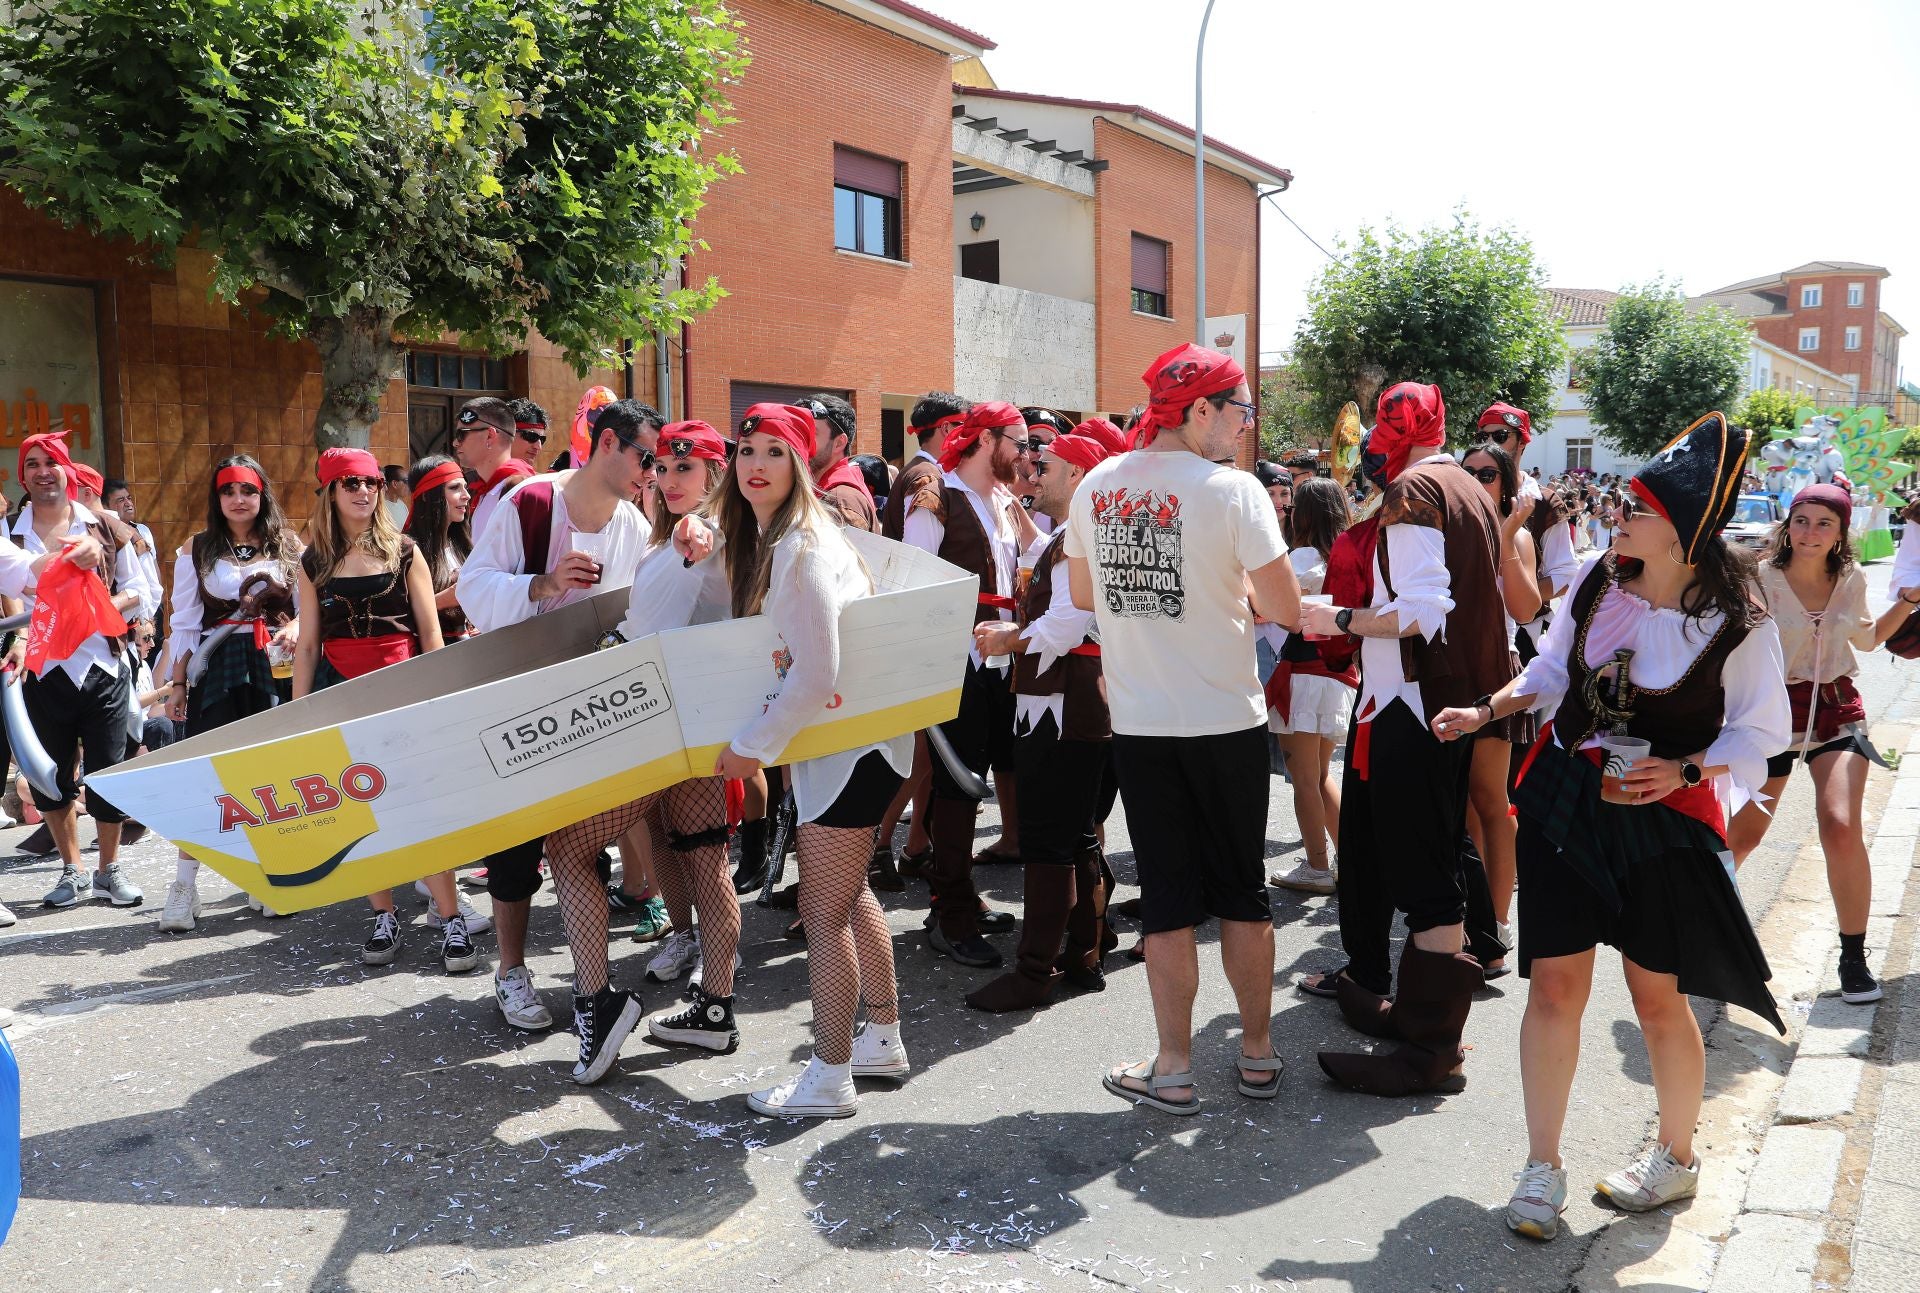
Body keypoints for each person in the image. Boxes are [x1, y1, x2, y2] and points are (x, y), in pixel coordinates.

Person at [1434, 412, 1789, 1241]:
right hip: (1568, 797)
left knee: (1657, 999)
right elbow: (1553, 668)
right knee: (1555, 985)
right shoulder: (1598, 575)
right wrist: (1487, 706)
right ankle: (1541, 1167)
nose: (1619, 514)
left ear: (1686, 531)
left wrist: (1689, 766)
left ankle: (1675, 1157)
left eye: (1639, 506)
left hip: (1662, 816)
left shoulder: (1739, 619)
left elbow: (1764, 734)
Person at [1067, 342, 1299, 1114]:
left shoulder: (1097, 483)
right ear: (1198, 408)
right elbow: (1288, 610)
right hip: (1228, 719)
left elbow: (1080, 591)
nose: (1243, 426)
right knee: (1243, 893)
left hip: (1141, 723)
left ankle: (1173, 1066)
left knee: (1168, 899)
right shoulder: (1235, 492)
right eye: (1238, 409)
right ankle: (1257, 1053)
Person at [667, 404, 913, 1116]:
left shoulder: (802, 548)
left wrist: (749, 748)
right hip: (858, 743)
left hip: (847, 747)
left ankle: (830, 1075)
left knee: (823, 908)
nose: (756, 463)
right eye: (746, 449)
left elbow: (815, 675)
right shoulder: (794, 536)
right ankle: (881, 1038)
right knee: (849, 893)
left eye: (776, 451)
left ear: (802, 464)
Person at [1302, 382, 1511, 1096]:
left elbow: (1422, 612)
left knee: (1427, 881)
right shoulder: (1464, 482)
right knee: (1433, 869)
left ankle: (1429, 1052)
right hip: (1438, 704)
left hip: (1417, 705)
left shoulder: (1417, 488)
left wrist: (1337, 620)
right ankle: (1422, 1027)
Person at [462, 399, 659, 1073]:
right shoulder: (530, 503)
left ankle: (591, 991)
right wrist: (542, 584)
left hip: (589, 705)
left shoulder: (634, 523)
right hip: (517, 696)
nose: (650, 472)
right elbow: (472, 588)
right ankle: (512, 970)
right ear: (608, 444)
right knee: (515, 842)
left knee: (578, 845)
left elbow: (642, 609)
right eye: (645, 457)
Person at [1729, 483, 1914, 1003]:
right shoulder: (1757, 577)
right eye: (1802, 520)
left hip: (1838, 711)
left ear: (1840, 534)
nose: (1810, 532)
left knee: (1839, 825)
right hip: (1772, 716)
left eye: (1823, 523)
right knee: (1742, 837)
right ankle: (1703, 935)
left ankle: (1853, 959)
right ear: (1788, 525)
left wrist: (1909, 601)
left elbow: (1868, 639)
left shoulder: (1850, 577)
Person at [292, 447, 466, 971]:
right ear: (330, 492)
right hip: (340, 691)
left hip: (403, 688)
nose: (365, 492)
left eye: (370, 482)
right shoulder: (312, 561)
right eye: (351, 483)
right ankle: (383, 915)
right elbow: (306, 644)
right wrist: (297, 713)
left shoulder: (405, 550)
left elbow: (429, 631)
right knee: (360, 810)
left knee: (418, 807)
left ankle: (450, 916)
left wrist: (436, 696)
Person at [966, 430, 1120, 1012]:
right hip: (1064, 699)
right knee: (1072, 833)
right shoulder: (1074, 534)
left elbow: (1067, 622)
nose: (1035, 475)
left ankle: (1036, 972)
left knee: (1050, 841)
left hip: (1065, 701)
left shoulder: (1085, 536)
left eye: (1047, 466)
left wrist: (1009, 637)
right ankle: (1083, 953)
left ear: (1080, 475)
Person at [627, 421, 746, 1048]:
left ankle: (718, 996)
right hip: (655, 709)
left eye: (686, 468)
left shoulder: (706, 531)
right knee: (664, 842)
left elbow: (704, 539)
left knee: (704, 851)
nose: (670, 480)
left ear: (714, 475)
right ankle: (685, 935)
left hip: (699, 711)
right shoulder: (662, 536)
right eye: (663, 469)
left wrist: (695, 530)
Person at [902, 399, 1031, 967]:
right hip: (954, 663)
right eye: (1018, 442)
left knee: (973, 787)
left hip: (998, 663)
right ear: (987, 439)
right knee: (956, 790)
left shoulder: (1001, 499)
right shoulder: (935, 497)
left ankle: (958, 898)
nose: (1026, 455)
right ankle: (948, 911)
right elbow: (914, 586)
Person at [10, 430, 159, 911]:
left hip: (103, 664)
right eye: (32, 464)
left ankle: (108, 869)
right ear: (23, 476)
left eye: (50, 461)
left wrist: (103, 607)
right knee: (49, 776)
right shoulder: (9, 532)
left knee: (109, 770)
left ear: (67, 470)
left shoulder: (104, 526)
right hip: (40, 670)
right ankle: (71, 870)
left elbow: (143, 590)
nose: (42, 471)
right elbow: (16, 583)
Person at [158, 454, 303, 931]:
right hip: (218, 668)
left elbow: (308, 608)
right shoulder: (194, 549)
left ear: (262, 495)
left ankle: (267, 877)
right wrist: (177, 684)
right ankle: (184, 886)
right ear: (216, 498)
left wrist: (296, 627)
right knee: (206, 777)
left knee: (268, 776)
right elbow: (182, 624)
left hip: (274, 669)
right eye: (228, 491)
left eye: (248, 490)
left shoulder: (288, 545)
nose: (239, 500)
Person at [1453, 442, 1543, 976]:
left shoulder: (1520, 536)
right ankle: (1471, 917)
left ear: (1505, 483)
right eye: (1467, 473)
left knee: (1490, 800)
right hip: (1443, 676)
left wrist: (1506, 535)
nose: (1476, 481)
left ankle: (1498, 923)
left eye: (1487, 474)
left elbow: (1527, 609)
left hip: (1493, 676)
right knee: (1459, 807)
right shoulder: (1445, 529)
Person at [1265, 478, 1357, 896]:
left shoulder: (1303, 556)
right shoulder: (1349, 553)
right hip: (1337, 674)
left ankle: (1318, 866)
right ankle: (1348, 860)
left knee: (1304, 777)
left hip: (1304, 674)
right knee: (1319, 775)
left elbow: (1276, 610)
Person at [403, 455, 475, 645]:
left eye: (465, 486)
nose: (466, 495)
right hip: (431, 657)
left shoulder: (463, 544)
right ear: (427, 495)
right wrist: (445, 599)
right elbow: (397, 617)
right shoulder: (406, 551)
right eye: (454, 488)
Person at [457, 397, 541, 546]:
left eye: (463, 434)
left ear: (490, 435)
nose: (456, 442)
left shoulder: (521, 489)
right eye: (531, 436)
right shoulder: (482, 489)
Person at [803, 394, 878, 534]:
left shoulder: (841, 501)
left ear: (839, 443)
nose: (801, 441)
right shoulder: (830, 492)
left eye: (812, 434)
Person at [381, 464, 410, 530]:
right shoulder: (380, 507)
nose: (409, 485)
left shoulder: (403, 506)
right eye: (406, 481)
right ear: (394, 484)